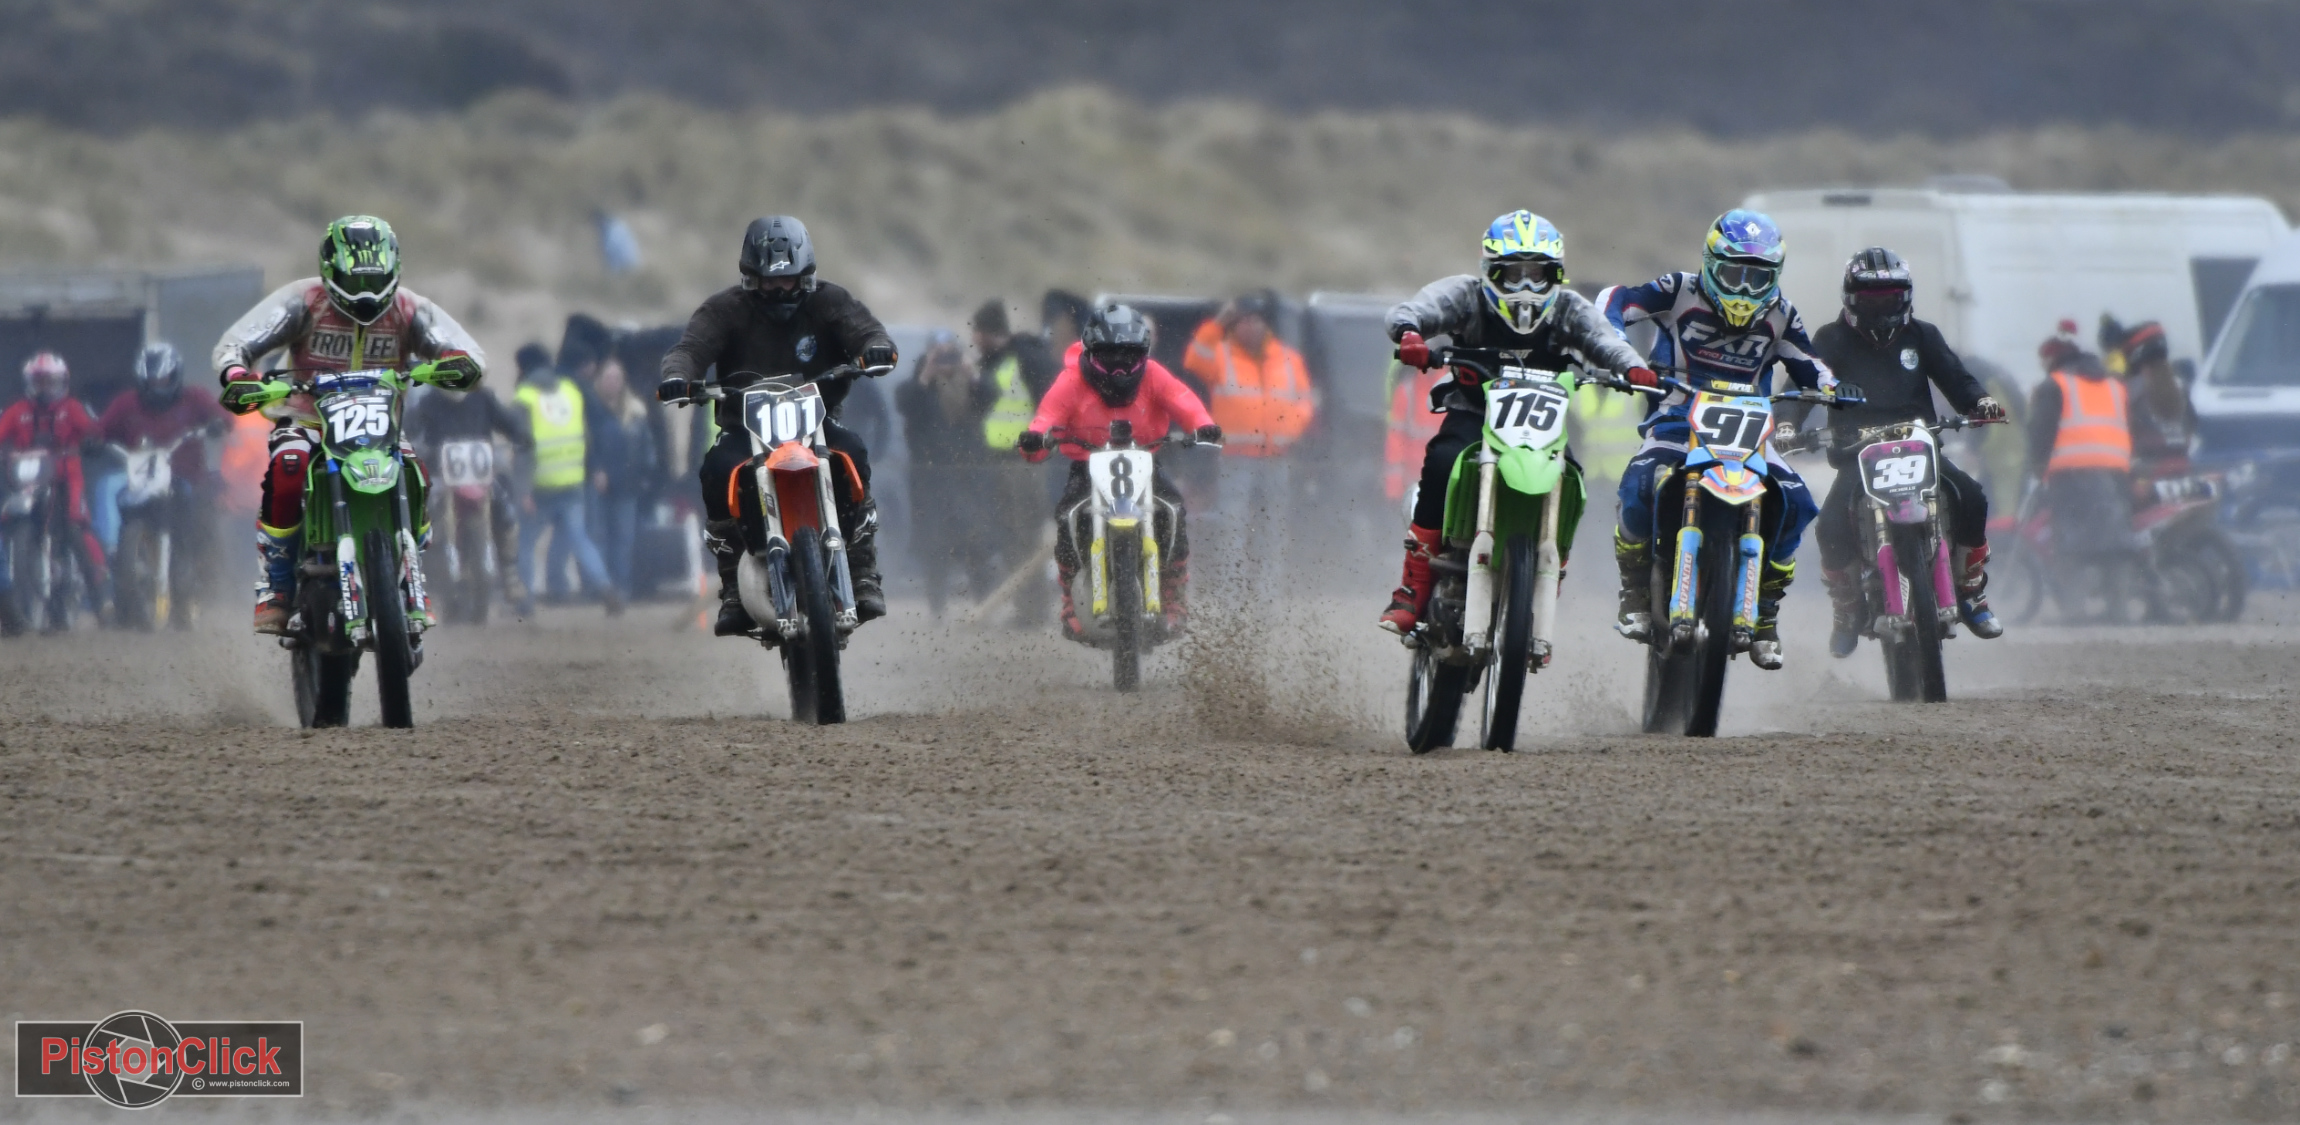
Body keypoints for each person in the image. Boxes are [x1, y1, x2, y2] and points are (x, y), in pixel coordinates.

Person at [1379, 210, 1653, 635]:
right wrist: (1411, 335)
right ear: (1491, 271)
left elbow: (1605, 339)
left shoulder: (1567, 308)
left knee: (1573, 478)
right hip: (1474, 413)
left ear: (1555, 274)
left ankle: (1549, 571)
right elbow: (1414, 310)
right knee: (1442, 461)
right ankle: (1412, 586)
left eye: (1537, 273)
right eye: (1514, 273)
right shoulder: (1465, 296)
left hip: (1543, 427)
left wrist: (1633, 369)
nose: (1526, 287)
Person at [213, 215, 483, 634]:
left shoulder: (409, 309)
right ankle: (277, 583)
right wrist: (236, 373)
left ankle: (413, 571)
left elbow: (466, 351)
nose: (366, 294)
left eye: (374, 281)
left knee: (418, 474)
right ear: (329, 268)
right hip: (306, 420)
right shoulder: (302, 301)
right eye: (354, 282)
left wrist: (457, 362)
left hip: (379, 429)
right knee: (287, 470)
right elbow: (237, 342)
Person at [1600, 209, 1838, 670]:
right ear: (1711, 264)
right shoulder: (1678, 289)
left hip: (1749, 431)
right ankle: (1632, 589)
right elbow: (1616, 299)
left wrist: (1831, 387)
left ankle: (1765, 612)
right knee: (1639, 485)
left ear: (1774, 277)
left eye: (1757, 278)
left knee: (1798, 500)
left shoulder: (1781, 314)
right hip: (1677, 420)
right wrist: (1616, 348)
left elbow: (1810, 361)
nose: (1745, 290)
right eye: (1734, 274)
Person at [658, 215, 898, 635]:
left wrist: (875, 348)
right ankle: (734, 583)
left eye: (789, 281)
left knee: (854, 453)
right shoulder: (724, 310)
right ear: (750, 279)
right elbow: (690, 348)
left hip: (816, 427)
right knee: (716, 471)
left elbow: (865, 330)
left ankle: (861, 570)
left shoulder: (830, 302)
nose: (780, 290)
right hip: (744, 431)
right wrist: (678, 375)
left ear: (806, 276)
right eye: (769, 282)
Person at [1793, 247, 2007, 658]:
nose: (1880, 307)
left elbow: (1957, 378)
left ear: (1905, 297)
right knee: (1829, 526)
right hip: (1858, 454)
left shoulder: (1922, 335)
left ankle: (1969, 590)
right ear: (1851, 299)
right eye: (1871, 298)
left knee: (1972, 497)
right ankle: (1848, 606)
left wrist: (1979, 403)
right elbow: (1804, 385)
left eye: (1889, 297)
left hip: (1920, 447)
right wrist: (1787, 425)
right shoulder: (1829, 339)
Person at [1017, 303, 1219, 639]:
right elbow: (1047, 414)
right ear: (1091, 351)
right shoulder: (1072, 379)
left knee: (1173, 510)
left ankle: (1174, 596)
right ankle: (1069, 599)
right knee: (1068, 515)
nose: (1121, 367)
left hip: (1145, 459)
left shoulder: (1154, 374)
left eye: (1129, 356)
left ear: (1143, 353)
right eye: (1110, 356)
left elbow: (1183, 399)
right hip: (1087, 464)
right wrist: (1037, 436)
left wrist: (1203, 425)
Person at [96, 343, 233, 627]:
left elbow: (222, 415)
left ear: (176, 377)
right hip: (144, 483)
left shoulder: (194, 397)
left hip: (188, 480)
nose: (158, 387)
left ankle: (207, 582)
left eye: (164, 380)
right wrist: (92, 439)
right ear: (142, 381)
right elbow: (101, 428)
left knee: (203, 519)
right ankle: (125, 599)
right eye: (152, 381)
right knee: (123, 518)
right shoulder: (126, 403)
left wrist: (218, 423)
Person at [405, 346, 534, 610]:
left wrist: (522, 435)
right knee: (417, 514)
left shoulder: (483, 398)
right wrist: (414, 445)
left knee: (506, 506)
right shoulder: (429, 402)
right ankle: (412, 573)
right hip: (442, 477)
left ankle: (509, 571)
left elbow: (507, 422)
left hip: (480, 477)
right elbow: (410, 427)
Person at [1184, 289, 1316, 529]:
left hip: (1277, 457)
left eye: (1256, 320)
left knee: (1274, 525)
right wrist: (1218, 323)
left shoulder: (1289, 358)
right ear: (1234, 325)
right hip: (1236, 458)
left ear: (1266, 324)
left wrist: (1290, 431)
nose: (1250, 326)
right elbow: (1193, 359)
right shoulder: (1220, 355)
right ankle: (1230, 568)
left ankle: (1271, 569)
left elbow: (1305, 401)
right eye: (1244, 320)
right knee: (1232, 524)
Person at [0, 351, 108, 633]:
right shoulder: (18, 410)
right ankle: (23, 604)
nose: (44, 388)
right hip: (28, 483)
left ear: (62, 381)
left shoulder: (70, 408)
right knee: (11, 521)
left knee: (74, 529)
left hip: (65, 481)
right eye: (39, 382)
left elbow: (91, 430)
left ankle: (100, 600)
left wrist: (93, 441)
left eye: (50, 382)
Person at [2027, 327, 2135, 603]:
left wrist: (2037, 466)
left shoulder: (2056, 384)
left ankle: (2075, 608)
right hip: (2116, 470)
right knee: (2114, 540)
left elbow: (2041, 431)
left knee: (2069, 541)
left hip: (2071, 472)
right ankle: (2119, 607)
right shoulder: (2114, 383)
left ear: (2053, 359)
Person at [894, 331, 999, 616]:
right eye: (938, 353)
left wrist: (971, 372)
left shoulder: (971, 384)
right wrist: (926, 375)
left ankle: (983, 606)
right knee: (936, 548)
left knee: (976, 543)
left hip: (970, 478)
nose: (945, 360)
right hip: (931, 480)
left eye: (950, 353)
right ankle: (937, 609)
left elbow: (991, 396)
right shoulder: (918, 386)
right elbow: (904, 404)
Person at [512, 343, 618, 614]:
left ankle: (527, 600)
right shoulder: (571, 391)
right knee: (580, 539)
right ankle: (606, 587)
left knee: (526, 543)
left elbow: (523, 449)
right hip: (572, 481)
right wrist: (595, 469)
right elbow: (586, 436)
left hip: (540, 485)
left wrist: (523, 491)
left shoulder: (525, 397)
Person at [973, 298, 1059, 625]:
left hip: (1025, 463)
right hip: (1000, 462)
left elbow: (1049, 403)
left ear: (988, 332)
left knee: (1025, 536)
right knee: (1010, 535)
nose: (975, 339)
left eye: (978, 332)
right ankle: (1027, 609)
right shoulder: (993, 362)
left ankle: (1034, 612)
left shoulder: (1026, 358)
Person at [585, 353, 662, 600]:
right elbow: (586, 445)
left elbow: (647, 448)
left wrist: (644, 476)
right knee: (599, 539)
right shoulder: (590, 409)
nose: (612, 382)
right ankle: (601, 591)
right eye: (608, 377)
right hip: (598, 486)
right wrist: (594, 470)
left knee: (624, 542)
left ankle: (622, 590)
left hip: (628, 487)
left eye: (617, 377)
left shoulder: (636, 411)